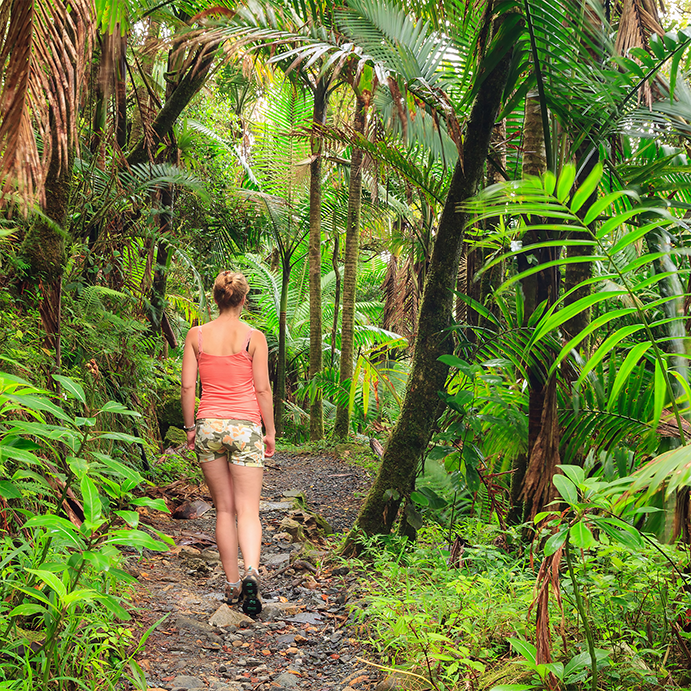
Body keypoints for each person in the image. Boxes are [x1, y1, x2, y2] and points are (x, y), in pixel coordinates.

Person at [181, 271, 275, 616]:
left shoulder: (197, 335)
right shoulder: (254, 337)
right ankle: (252, 571)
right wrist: (270, 431)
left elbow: (189, 387)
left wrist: (191, 428)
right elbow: (263, 389)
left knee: (224, 508)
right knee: (248, 509)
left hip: (208, 425)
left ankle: (232, 584)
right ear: (243, 299)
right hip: (245, 427)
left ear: (216, 299)